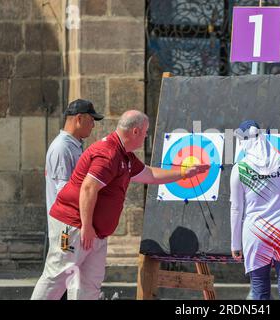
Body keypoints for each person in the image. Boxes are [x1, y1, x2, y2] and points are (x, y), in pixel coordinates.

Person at [31, 110, 209, 300]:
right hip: (75, 226)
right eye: (145, 131)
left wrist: (183, 173)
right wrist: (87, 225)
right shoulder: (108, 154)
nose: (146, 136)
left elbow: (150, 175)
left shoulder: (125, 155)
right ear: (135, 131)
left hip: (95, 232)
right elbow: (88, 189)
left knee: (89, 284)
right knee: (57, 277)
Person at [230, 120, 280, 300]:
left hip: (255, 233)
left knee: (259, 290)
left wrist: (235, 244)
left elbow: (237, 208)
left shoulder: (240, 169)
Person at [44, 99, 103, 300]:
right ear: (79, 119)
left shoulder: (74, 146)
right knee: (60, 278)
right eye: (91, 120)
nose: (93, 125)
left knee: (71, 280)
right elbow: (65, 191)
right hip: (66, 225)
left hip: (73, 223)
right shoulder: (62, 148)